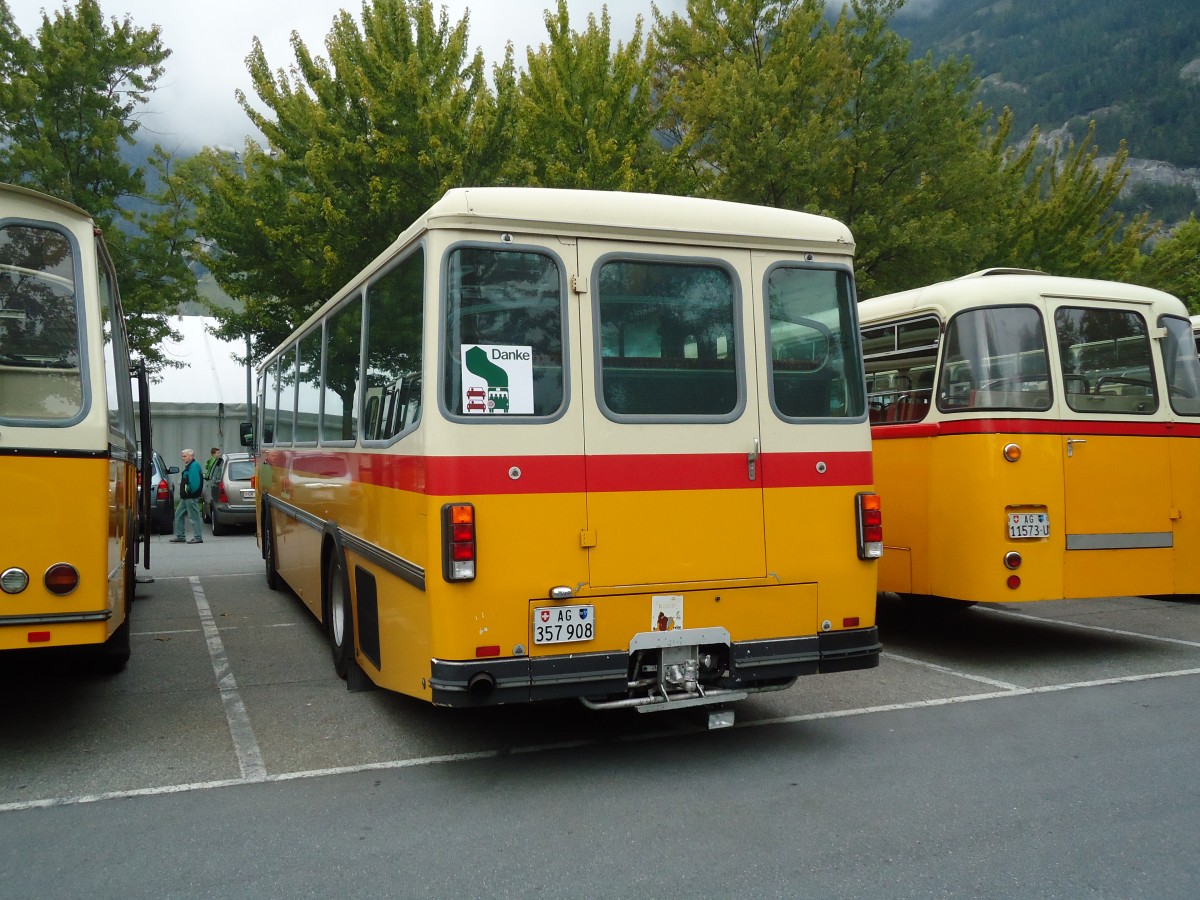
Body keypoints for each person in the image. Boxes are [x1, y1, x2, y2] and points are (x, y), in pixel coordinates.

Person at [170, 448, 204, 544]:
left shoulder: (194, 466)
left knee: (194, 517)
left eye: (185, 456)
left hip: (190, 496)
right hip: (186, 497)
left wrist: (188, 490)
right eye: (182, 456)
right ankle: (180, 536)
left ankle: (198, 536)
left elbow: (194, 482)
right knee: (178, 514)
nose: (183, 458)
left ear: (191, 456)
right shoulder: (190, 466)